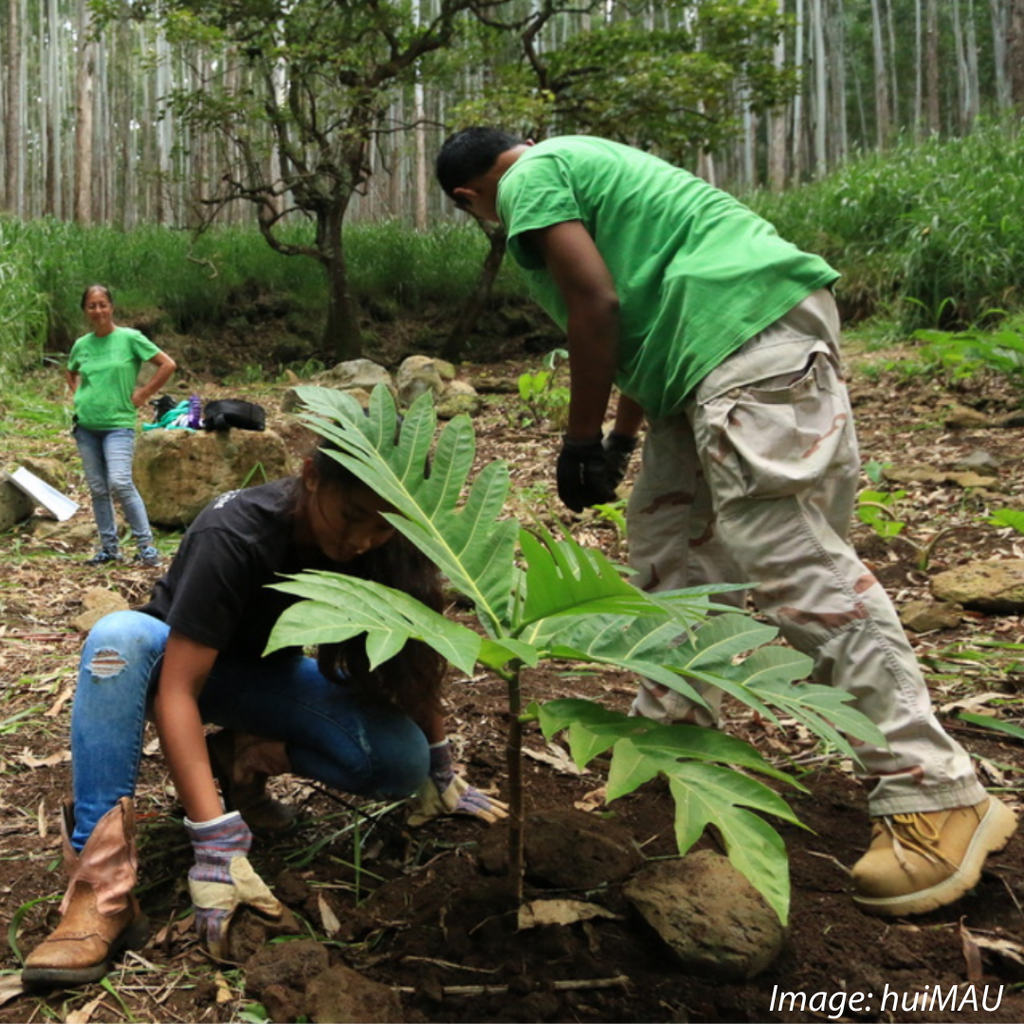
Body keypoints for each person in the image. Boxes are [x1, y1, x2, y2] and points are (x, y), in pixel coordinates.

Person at [435, 127, 1017, 918]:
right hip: (717, 357)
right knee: (669, 545)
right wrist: (622, 437)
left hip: (746, 345)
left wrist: (576, 437)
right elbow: (649, 311)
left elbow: (596, 304)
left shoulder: (530, 180)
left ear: (470, 200)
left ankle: (936, 791)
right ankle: (671, 744)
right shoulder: (588, 162)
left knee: (790, 560)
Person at [21, 444, 506, 989]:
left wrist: (440, 766)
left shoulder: (387, 545)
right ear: (312, 478)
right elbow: (178, 690)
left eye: (383, 527)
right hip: (171, 665)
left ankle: (243, 756)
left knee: (399, 762)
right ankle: (101, 890)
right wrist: (216, 844)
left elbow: (415, 660)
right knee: (117, 637)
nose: (362, 540)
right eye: (351, 517)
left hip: (265, 679)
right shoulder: (235, 532)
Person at [67, 285, 177, 567]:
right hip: (87, 426)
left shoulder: (129, 338)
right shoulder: (82, 344)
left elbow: (167, 364)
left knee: (120, 481)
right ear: (85, 310)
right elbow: (71, 371)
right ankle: (109, 548)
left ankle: (146, 546)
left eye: (102, 304)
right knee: (98, 488)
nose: (98, 310)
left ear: (111, 307)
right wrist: (79, 395)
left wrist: (143, 394)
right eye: (92, 306)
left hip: (118, 424)